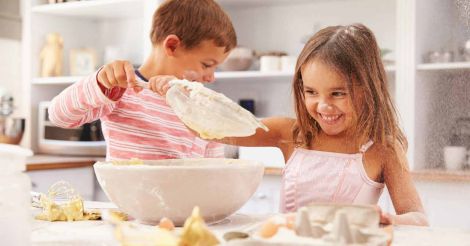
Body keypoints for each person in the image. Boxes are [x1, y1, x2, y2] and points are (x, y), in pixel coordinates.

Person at [152, 23, 428, 226]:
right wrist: (176, 93)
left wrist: (390, 220)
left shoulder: (382, 149)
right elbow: (215, 129)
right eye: (311, 92)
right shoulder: (290, 134)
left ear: (369, 89)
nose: (323, 106)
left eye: (338, 93)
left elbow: (418, 218)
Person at [48, 0, 236, 160]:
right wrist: (100, 83)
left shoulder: (199, 105)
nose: (211, 77)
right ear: (172, 46)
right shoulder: (121, 89)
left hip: (189, 203)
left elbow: (214, 167)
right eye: (206, 65)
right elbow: (58, 115)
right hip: (131, 202)